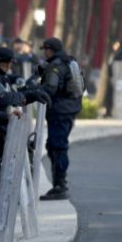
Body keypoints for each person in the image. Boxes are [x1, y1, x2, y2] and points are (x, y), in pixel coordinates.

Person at [0, 47, 50, 240]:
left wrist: (30, 93)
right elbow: (3, 97)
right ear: (4, 62)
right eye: (10, 62)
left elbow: (10, 94)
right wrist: (27, 96)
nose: (11, 65)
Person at [38, 37, 84, 201]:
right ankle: (59, 184)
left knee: (57, 147)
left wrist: (35, 90)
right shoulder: (70, 62)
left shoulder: (56, 66)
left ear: (50, 50)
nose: (44, 53)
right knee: (57, 145)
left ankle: (60, 185)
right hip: (69, 110)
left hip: (59, 111)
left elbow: (50, 88)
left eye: (45, 50)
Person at [104, 40, 122, 118]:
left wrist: (110, 77)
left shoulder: (115, 55)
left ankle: (109, 112)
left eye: (115, 45)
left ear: (118, 45)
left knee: (110, 95)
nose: (113, 46)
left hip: (116, 78)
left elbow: (110, 66)